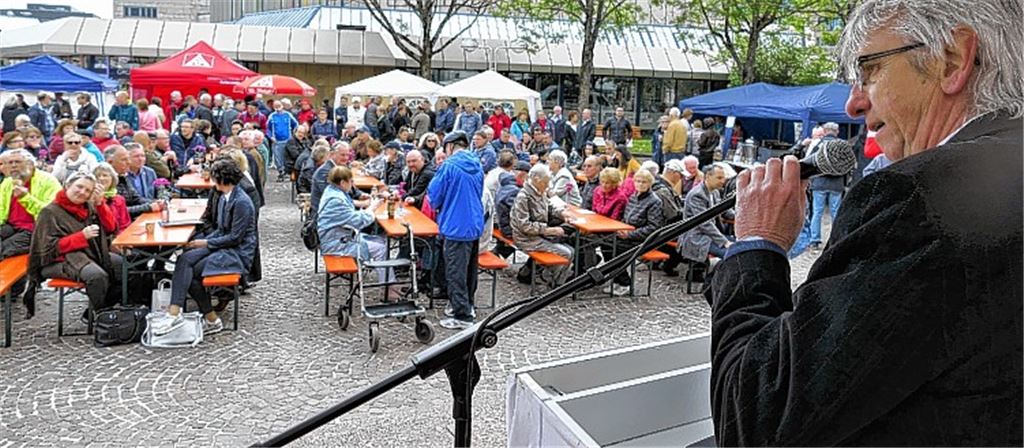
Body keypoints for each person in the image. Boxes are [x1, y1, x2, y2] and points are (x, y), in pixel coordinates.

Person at [707, 0, 1022, 444]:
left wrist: (757, 244)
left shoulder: (917, 200)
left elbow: (753, 422)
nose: (854, 104)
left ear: (953, 60)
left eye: (869, 71)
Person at [150, 160, 257, 336]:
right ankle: (202, 317)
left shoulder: (241, 202)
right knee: (185, 262)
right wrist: (203, 241)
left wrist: (205, 243)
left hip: (236, 253)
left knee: (188, 269)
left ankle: (183, 314)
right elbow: (221, 230)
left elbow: (235, 238)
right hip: (223, 246)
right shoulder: (225, 197)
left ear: (221, 180)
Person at [31, 171, 122, 317]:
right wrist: (81, 237)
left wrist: (100, 204)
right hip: (57, 261)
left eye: (88, 190)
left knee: (123, 267)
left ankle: (99, 311)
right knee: (96, 276)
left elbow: (111, 228)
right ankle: (102, 316)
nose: (82, 192)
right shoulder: (49, 212)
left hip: (87, 254)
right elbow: (47, 248)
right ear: (67, 185)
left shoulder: (88, 207)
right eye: (79, 187)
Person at [427, 131, 484, 330]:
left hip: (455, 224)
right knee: (469, 269)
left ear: (450, 147)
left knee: (455, 271)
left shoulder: (448, 166)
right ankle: (467, 305)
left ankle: (462, 315)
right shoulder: (477, 164)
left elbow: (434, 196)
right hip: (474, 223)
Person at [317, 165, 401, 300]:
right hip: (336, 244)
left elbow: (350, 207)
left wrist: (366, 204)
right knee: (380, 249)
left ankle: (389, 284)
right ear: (343, 182)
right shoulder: (336, 200)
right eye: (351, 181)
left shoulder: (332, 191)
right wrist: (372, 207)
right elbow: (358, 221)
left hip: (339, 237)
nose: (353, 184)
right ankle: (387, 289)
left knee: (380, 240)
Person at [0, 149, 60, 317]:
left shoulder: (48, 181)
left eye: (17, 162)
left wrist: (26, 197)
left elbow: (50, 214)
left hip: (38, 230)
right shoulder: (7, 182)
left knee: (5, 249)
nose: (13, 167)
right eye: (10, 163)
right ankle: (13, 289)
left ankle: (11, 288)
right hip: (11, 226)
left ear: (30, 163)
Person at [510, 163, 575, 287]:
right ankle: (557, 284)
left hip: (538, 236)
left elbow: (549, 208)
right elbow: (524, 226)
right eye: (546, 182)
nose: (548, 185)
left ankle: (554, 279)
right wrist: (549, 230)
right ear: (536, 179)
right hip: (526, 239)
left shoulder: (540, 191)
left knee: (571, 250)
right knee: (566, 253)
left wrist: (563, 214)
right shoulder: (524, 197)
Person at [603, 169, 663, 296]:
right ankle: (617, 278)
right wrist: (621, 228)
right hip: (627, 234)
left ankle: (625, 282)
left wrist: (630, 234)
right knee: (605, 243)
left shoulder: (655, 201)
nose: (640, 184)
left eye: (644, 182)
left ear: (650, 183)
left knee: (616, 248)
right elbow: (626, 218)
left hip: (642, 240)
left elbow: (653, 227)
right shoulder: (633, 197)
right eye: (638, 181)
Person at [806, 122, 849, 249]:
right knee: (836, 213)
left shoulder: (818, 145)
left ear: (824, 131)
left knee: (817, 212)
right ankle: (836, 239)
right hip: (837, 185)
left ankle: (815, 240)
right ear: (837, 132)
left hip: (819, 183)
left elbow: (810, 163)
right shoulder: (843, 146)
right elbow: (848, 166)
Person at [677, 163, 731, 263]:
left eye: (724, 178)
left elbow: (723, 210)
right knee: (730, 254)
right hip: (697, 237)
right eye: (719, 178)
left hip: (710, 235)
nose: (723, 181)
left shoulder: (715, 191)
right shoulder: (697, 195)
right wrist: (724, 241)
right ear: (707, 176)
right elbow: (704, 223)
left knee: (740, 248)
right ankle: (713, 277)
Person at [104, 146, 162, 219]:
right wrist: (148, 207)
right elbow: (118, 211)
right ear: (110, 162)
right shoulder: (104, 180)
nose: (129, 162)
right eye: (124, 160)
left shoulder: (122, 176)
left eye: (128, 159)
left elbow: (137, 198)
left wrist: (156, 203)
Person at [92, 163, 130, 233]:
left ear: (112, 179)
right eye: (97, 176)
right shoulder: (90, 199)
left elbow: (125, 225)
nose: (101, 178)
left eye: (105, 175)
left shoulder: (119, 199)